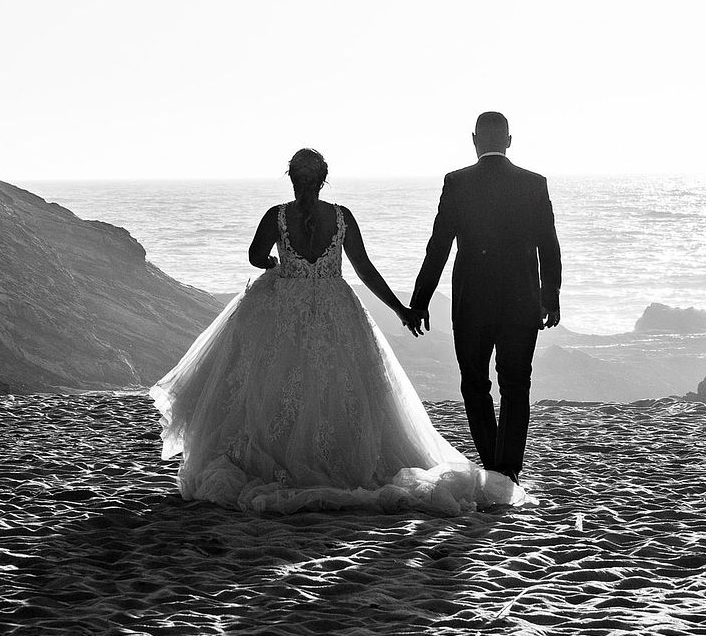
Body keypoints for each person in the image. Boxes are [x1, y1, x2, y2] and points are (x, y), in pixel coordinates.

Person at [150, 148, 525, 514]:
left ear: (292, 178)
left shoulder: (276, 216)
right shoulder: (342, 217)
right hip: (336, 308)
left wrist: (273, 262)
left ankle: (281, 460)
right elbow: (365, 269)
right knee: (338, 386)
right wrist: (401, 310)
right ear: (324, 180)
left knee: (275, 383)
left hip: (283, 306)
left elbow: (254, 255)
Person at [409, 111, 562, 483]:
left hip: (471, 301)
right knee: (516, 383)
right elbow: (549, 245)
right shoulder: (534, 183)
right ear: (509, 141)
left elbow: (438, 248)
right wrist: (551, 296)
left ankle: (493, 466)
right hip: (522, 299)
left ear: (474, 139)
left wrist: (420, 300)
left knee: (474, 383)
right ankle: (508, 468)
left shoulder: (457, 182)